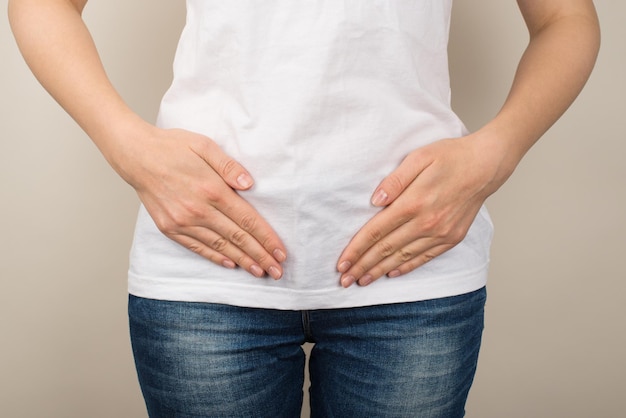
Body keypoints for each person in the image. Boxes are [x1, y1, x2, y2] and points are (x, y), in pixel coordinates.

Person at [9, 0, 600, 416]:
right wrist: (128, 146)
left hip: (413, 273)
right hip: (207, 272)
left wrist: (497, 151)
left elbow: (565, 17)